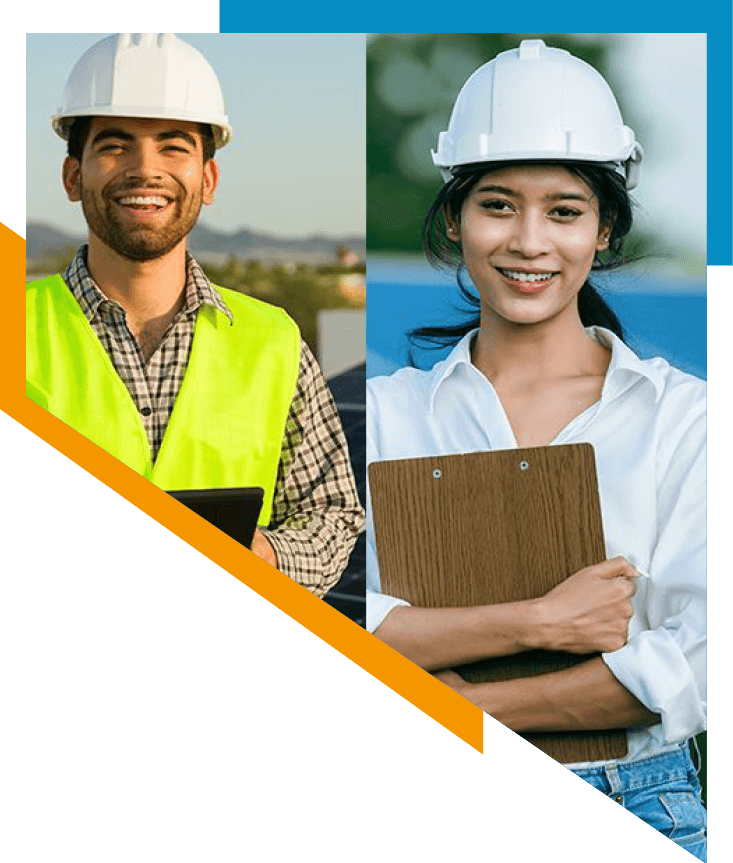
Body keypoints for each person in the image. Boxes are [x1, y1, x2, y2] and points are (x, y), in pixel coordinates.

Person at [367, 40, 706, 856]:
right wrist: (544, 620)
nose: (528, 241)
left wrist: (470, 700)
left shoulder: (682, 418)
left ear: (603, 231)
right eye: (496, 204)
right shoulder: (379, 415)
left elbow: (692, 661)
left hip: (642, 796)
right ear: (454, 217)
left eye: (562, 210)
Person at [26, 33, 364, 596]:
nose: (144, 169)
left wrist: (265, 555)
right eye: (114, 146)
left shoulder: (274, 342)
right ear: (71, 177)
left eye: (173, 146)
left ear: (207, 179)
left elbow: (332, 515)